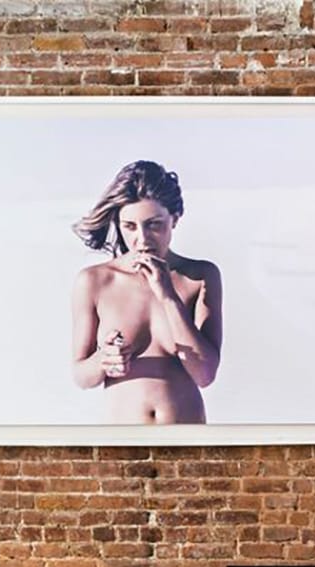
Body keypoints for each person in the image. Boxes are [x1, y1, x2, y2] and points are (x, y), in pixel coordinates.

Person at [70, 160, 222, 424]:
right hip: (124, 444)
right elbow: (81, 376)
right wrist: (104, 360)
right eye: (129, 226)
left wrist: (167, 295)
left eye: (154, 225)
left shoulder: (200, 276)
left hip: (188, 441)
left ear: (174, 219)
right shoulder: (94, 281)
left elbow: (205, 374)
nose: (142, 238)